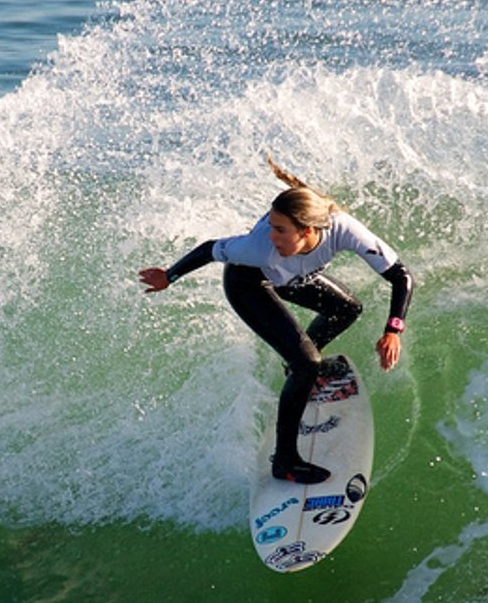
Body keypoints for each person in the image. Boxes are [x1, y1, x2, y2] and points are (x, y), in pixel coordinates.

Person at [138, 159, 413, 485]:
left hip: (292, 275)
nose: (271, 235)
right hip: (248, 284)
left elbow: (401, 276)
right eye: (270, 225)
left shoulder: (342, 230)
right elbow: (211, 249)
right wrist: (169, 276)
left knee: (347, 310)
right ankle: (285, 461)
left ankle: (299, 369)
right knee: (307, 363)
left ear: (309, 231)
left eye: (280, 229)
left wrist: (393, 330)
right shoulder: (258, 249)